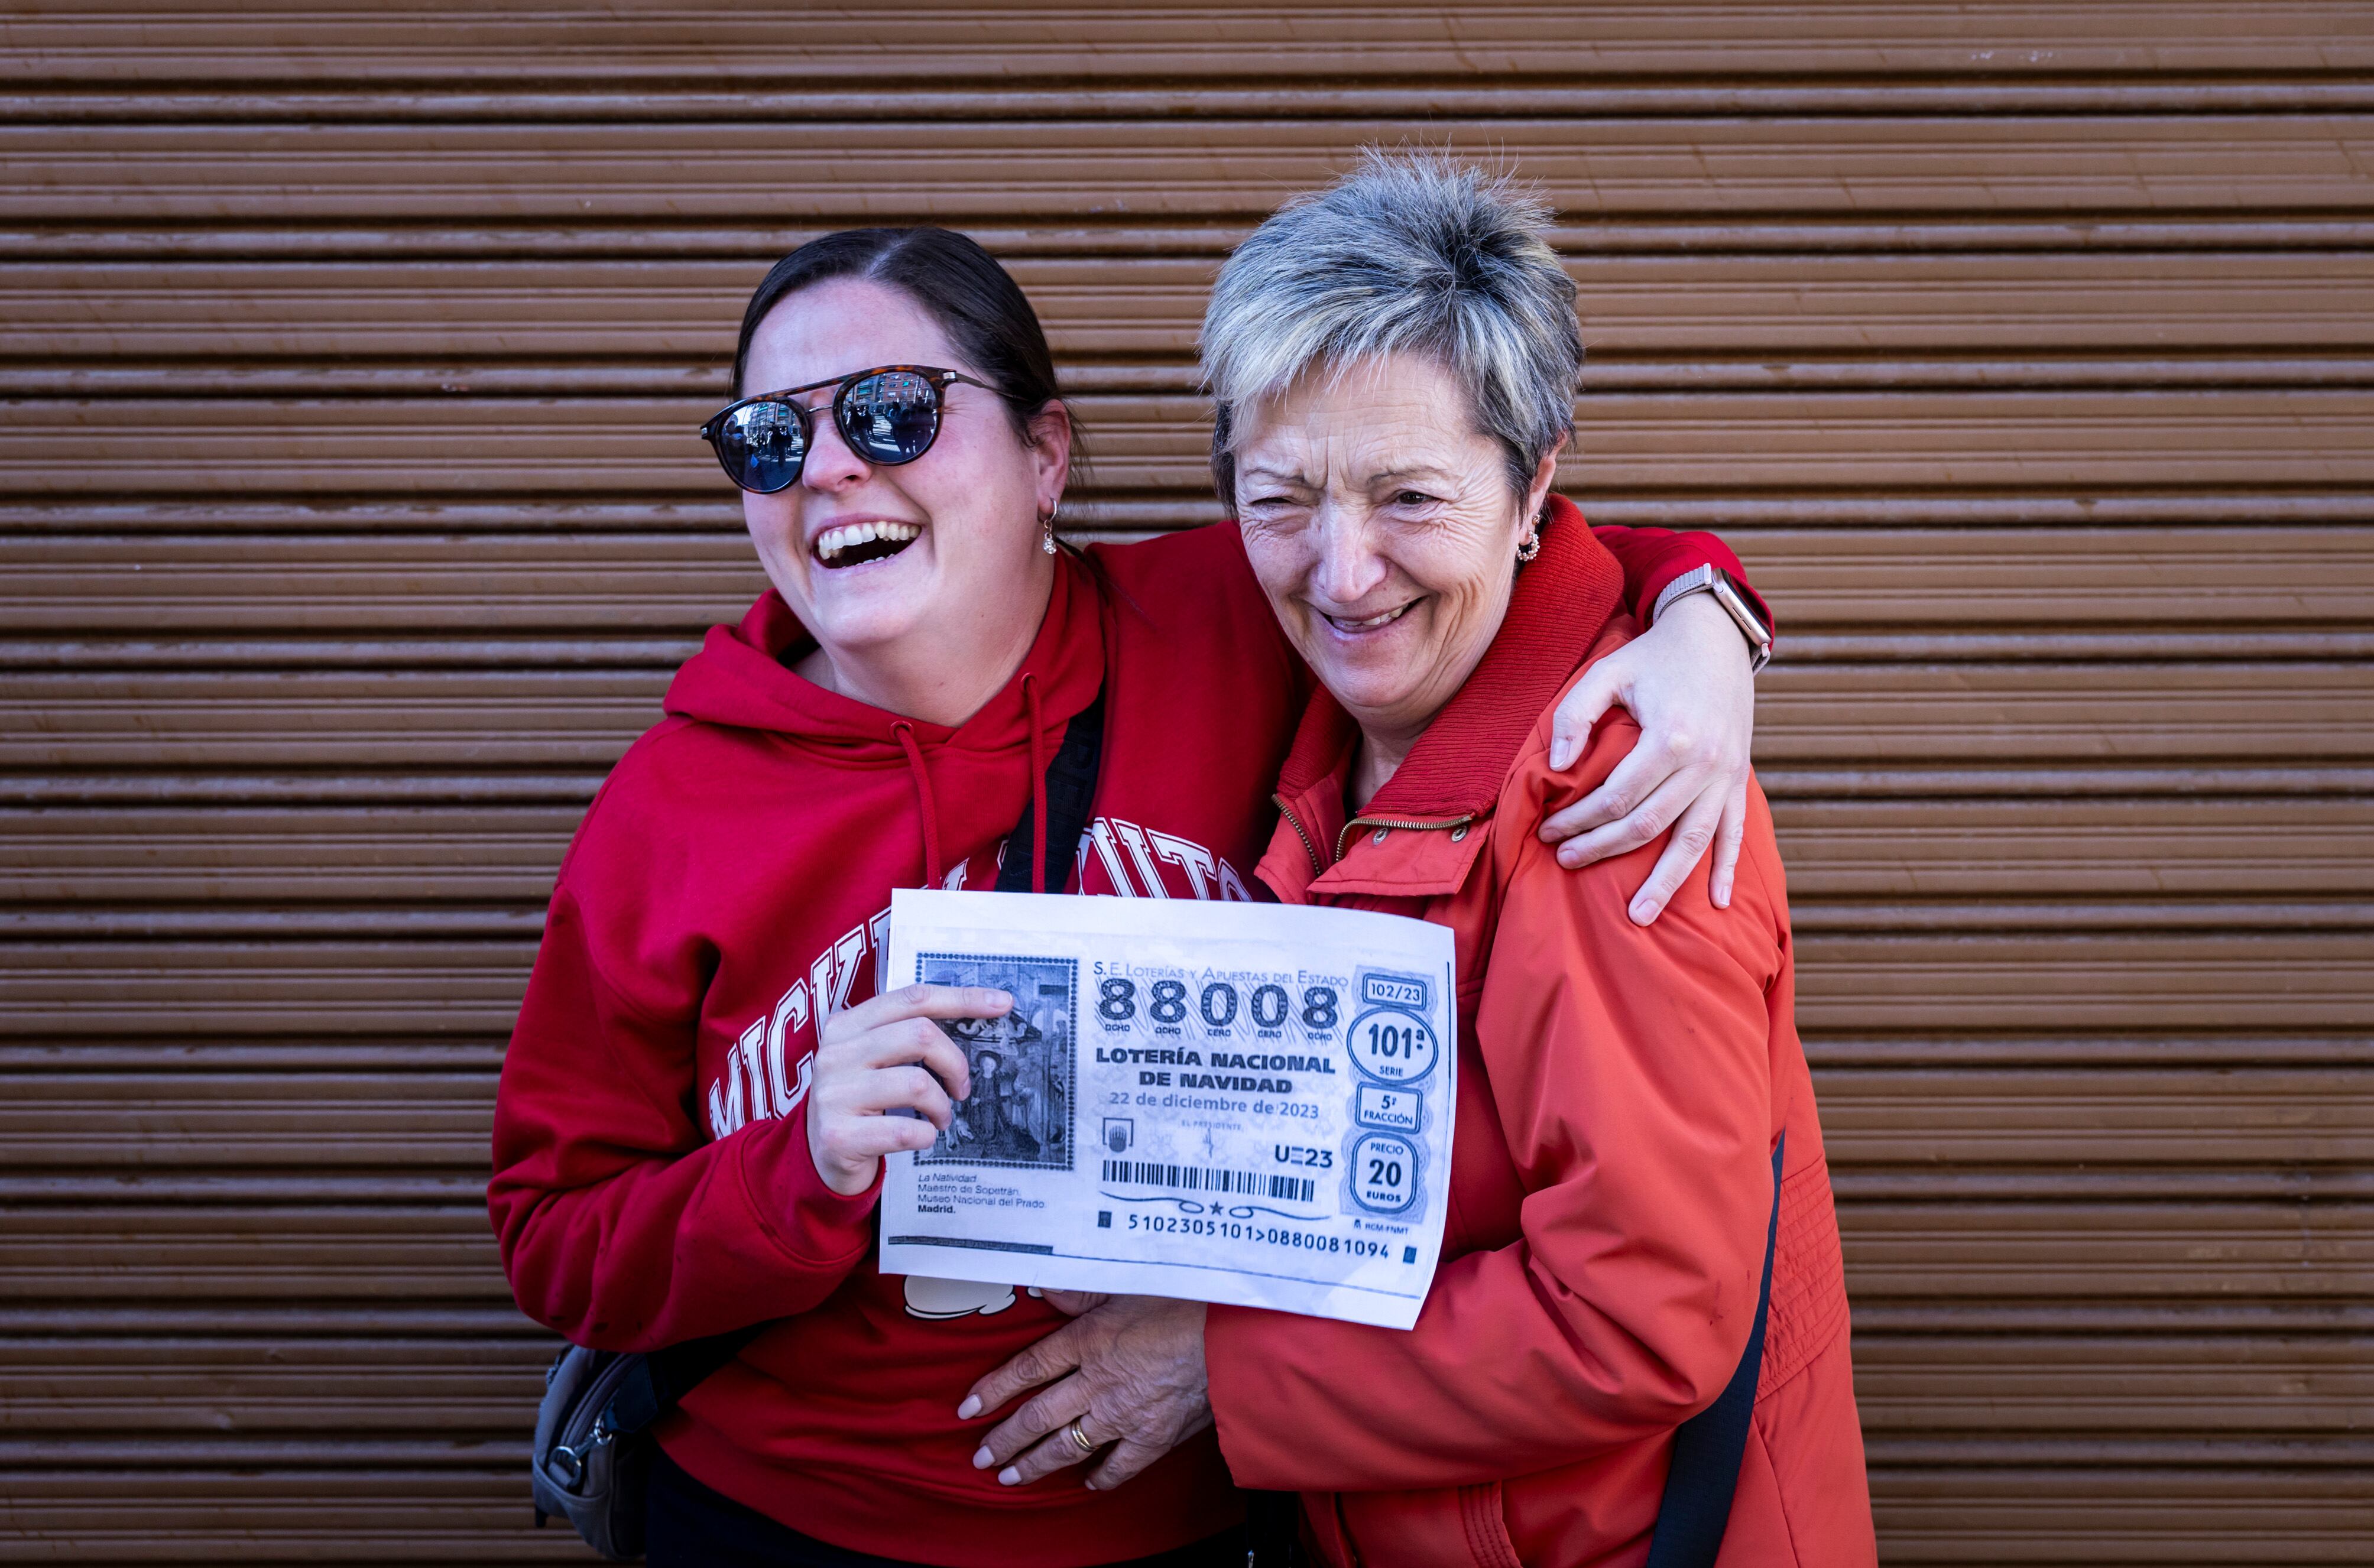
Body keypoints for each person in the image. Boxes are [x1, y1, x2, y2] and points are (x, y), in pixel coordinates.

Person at [488, 222, 1778, 1567]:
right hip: (780, 1521)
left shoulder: (1239, 611)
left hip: (1180, 1525)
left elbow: (1488, 542)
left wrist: (1703, 620)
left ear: (1047, 454)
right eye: (769, 436)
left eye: (891, 411)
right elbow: (555, 1236)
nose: (827, 466)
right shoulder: (671, 804)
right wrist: (796, 1163)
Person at [961, 156, 1874, 1566]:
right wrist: (1700, 595)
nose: (1340, 571)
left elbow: (1636, 1318)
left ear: (1532, 488)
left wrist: (1221, 1365)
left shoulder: (1608, 795)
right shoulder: (1351, 712)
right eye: (1280, 501)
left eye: (1408, 497)